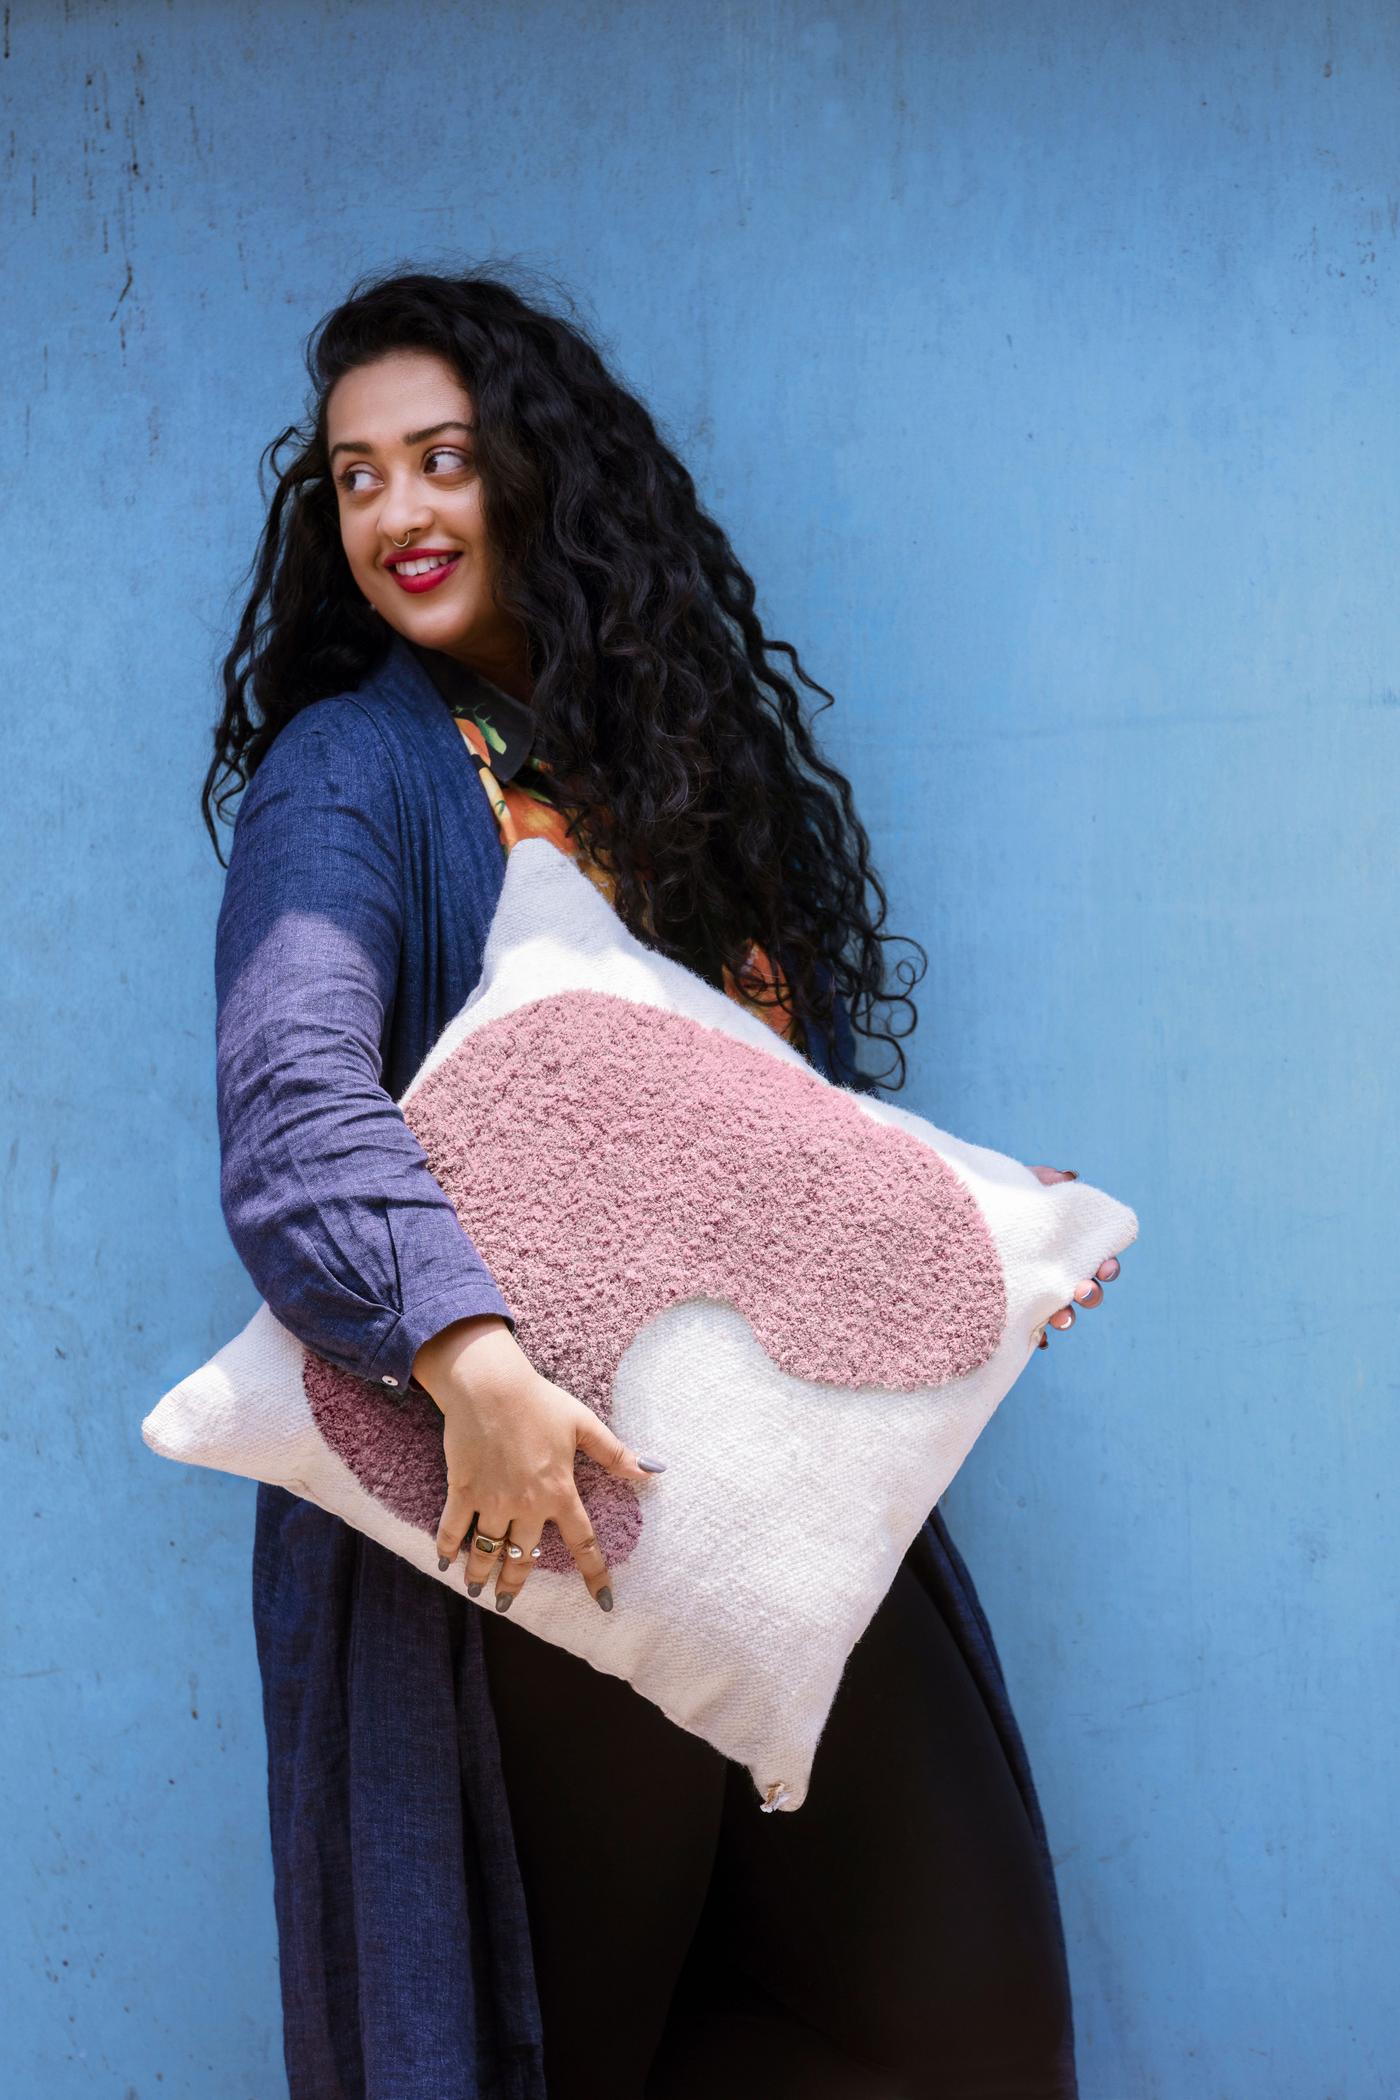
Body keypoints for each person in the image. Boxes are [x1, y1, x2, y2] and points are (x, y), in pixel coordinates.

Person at [204, 265, 1120, 2100]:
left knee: (963, 2027)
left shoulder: (680, 780)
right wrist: (472, 1368)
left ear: (542, 477)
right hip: (520, 1515)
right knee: (570, 2051)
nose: (396, 512)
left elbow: (766, 1136)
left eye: (441, 459)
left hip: (786, 1492)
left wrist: (963, 1217)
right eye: (357, 477)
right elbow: (290, 1100)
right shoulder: (351, 776)